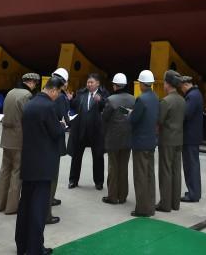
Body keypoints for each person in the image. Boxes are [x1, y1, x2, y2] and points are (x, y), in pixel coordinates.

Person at [15, 77, 65, 255]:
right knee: (38, 208)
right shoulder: (48, 107)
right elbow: (55, 132)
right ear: (53, 90)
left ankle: (22, 245)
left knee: (25, 206)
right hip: (43, 164)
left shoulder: (30, 103)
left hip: (29, 162)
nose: (57, 96)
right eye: (58, 92)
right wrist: (62, 126)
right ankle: (35, 248)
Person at [0, 72, 40, 215]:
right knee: (16, 172)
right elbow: (29, 118)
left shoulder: (10, 92)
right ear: (31, 82)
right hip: (19, 139)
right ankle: (11, 207)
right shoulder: (27, 96)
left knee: (5, 171)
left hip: (6, 138)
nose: (35, 87)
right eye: (35, 84)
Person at [68, 72, 108, 190]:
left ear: (98, 83)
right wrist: (70, 100)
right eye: (88, 82)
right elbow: (75, 106)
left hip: (96, 132)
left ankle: (99, 182)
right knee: (76, 156)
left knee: (98, 157)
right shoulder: (81, 93)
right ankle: (73, 180)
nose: (89, 84)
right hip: (81, 130)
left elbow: (107, 107)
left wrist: (100, 101)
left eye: (91, 82)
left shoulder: (104, 94)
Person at [129, 69, 159, 217]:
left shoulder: (141, 99)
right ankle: (151, 206)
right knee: (149, 175)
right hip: (151, 141)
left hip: (140, 143)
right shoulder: (155, 97)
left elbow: (133, 119)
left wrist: (129, 114)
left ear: (141, 84)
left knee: (140, 176)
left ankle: (142, 209)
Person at [101, 73, 133, 205]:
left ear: (115, 86)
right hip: (128, 138)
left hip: (113, 139)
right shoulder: (133, 99)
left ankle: (112, 196)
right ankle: (123, 195)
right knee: (123, 167)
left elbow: (104, 118)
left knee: (113, 168)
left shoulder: (111, 100)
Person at [156, 71, 185, 213]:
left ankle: (165, 204)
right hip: (179, 139)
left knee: (165, 171)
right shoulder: (182, 100)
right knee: (176, 171)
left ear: (167, 84)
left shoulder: (166, 101)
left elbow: (159, 120)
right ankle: (175, 203)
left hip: (167, 140)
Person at [46, 67, 71, 225]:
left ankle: (50, 198)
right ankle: (49, 202)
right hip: (55, 139)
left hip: (45, 139)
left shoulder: (45, 95)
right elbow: (65, 116)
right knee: (53, 174)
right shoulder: (61, 97)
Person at [179, 75, 203, 202]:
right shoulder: (196, 94)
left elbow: (186, 114)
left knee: (190, 166)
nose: (181, 90)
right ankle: (194, 192)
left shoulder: (191, 96)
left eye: (181, 87)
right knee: (193, 164)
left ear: (185, 85)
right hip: (193, 136)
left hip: (190, 137)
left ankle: (193, 194)